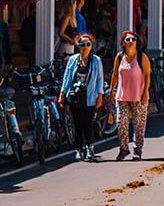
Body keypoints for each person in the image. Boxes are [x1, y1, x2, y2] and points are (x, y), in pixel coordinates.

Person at [58, 33, 104, 161]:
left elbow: (100, 79)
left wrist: (99, 96)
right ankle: (78, 149)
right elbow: (67, 77)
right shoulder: (73, 60)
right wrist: (62, 94)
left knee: (88, 123)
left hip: (89, 97)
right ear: (78, 45)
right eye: (82, 44)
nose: (85, 47)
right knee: (77, 124)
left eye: (88, 44)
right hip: (75, 96)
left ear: (91, 46)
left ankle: (90, 148)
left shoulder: (96, 60)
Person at [109, 31, 151, 161]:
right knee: (121, 122)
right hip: (122, 95)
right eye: (128, 39)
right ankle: (124, 149)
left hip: (138, 95)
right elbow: (115, 74)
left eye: (133, 39)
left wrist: (145, 93)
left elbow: (147, 75)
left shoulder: (141, 57)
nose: (131, 41)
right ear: (123, 42)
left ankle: (137, 150)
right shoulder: (119, 56)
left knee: (139, 125)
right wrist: (111, 89)